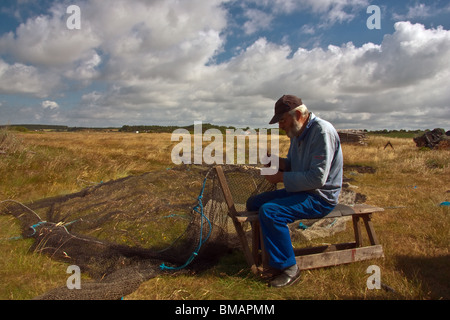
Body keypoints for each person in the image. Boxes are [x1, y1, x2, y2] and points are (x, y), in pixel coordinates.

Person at [246, 95, 343, 287]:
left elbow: (317, 178)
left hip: (320, 197)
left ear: (298, 114)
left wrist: (280, 177)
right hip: (304, 191)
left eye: (282, 120)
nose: (281, 126)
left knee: (271, 212)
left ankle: (289, 268)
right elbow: (293, 165)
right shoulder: (298, 132)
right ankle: (265, 253)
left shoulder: (322, 132)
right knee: (253, 203)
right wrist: (277, 161)